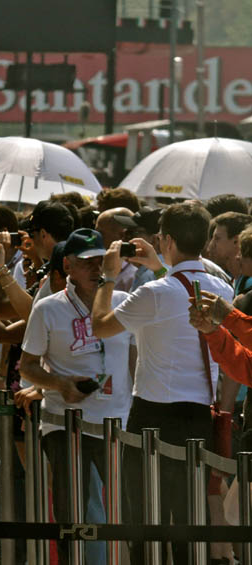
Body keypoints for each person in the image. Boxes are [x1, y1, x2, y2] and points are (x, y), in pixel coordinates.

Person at [91, 202, 234, 565]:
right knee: (188, 515)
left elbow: (101, 325)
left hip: (151, 414)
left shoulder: (154, 292)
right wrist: (160, 264)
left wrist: (108, 277)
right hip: (199, 412)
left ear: (166, 239)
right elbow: (184, 282)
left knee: (141, 513)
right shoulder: (223, 289)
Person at [20, 228, 135, 565]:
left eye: (101, 261)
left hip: (117, 420)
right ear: (68, 265)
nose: (96, 268)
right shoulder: (47, 309)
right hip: (65, 423)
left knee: (124, 505)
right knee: (73, 511)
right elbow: (27, 365)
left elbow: (134, 355)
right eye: (87, 263)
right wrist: (59, 383)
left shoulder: (122, 302)